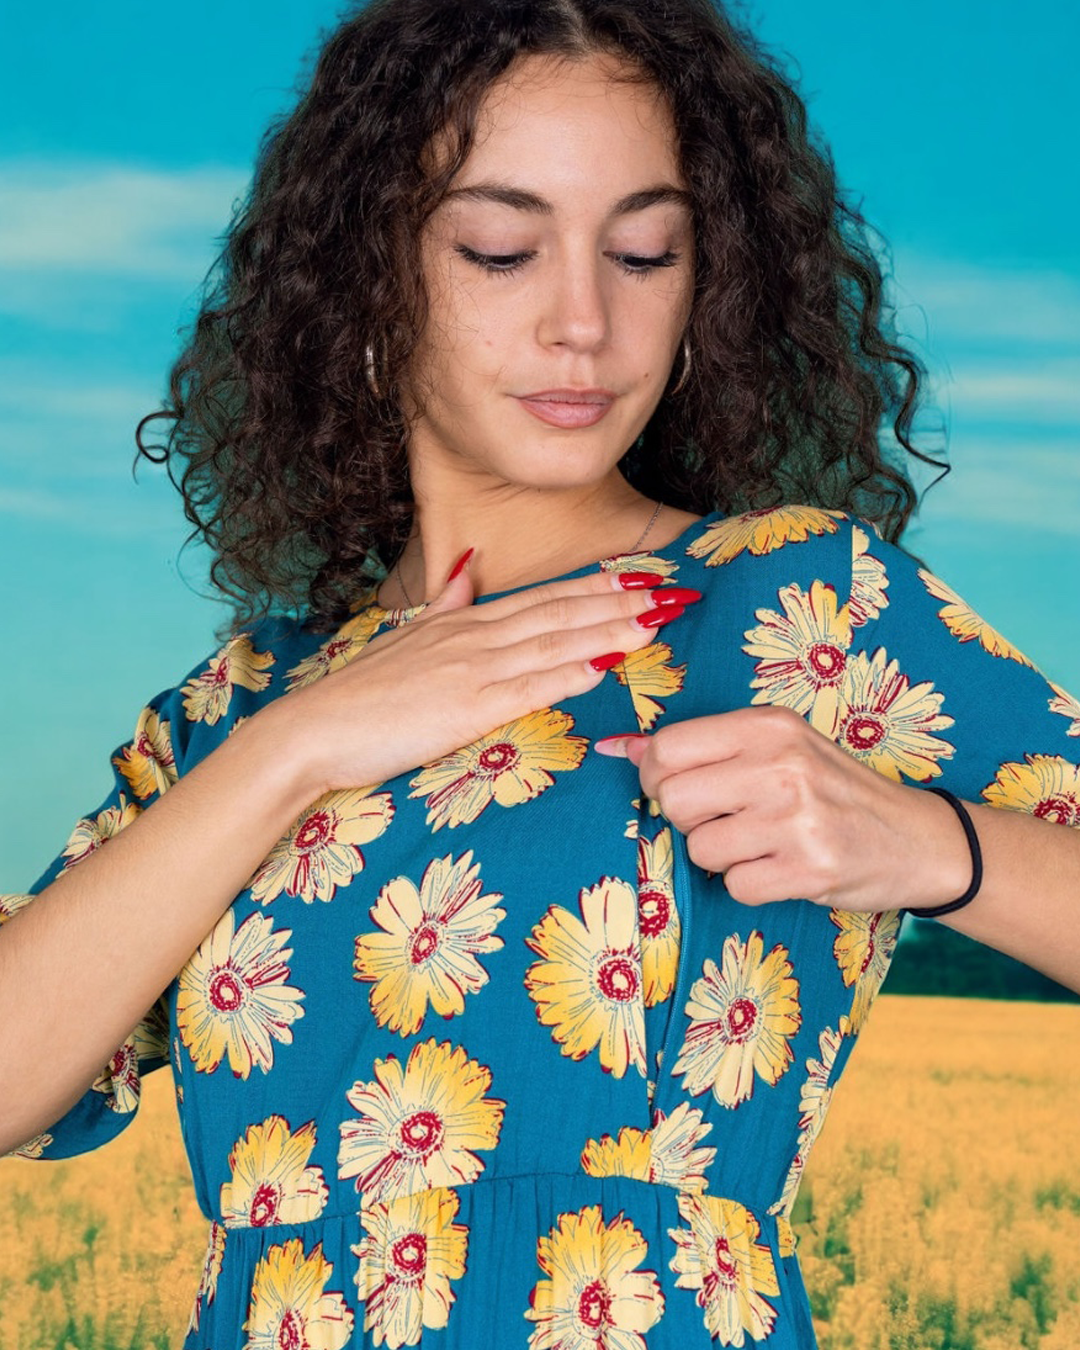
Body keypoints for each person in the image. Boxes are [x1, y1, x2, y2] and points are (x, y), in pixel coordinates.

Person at [1, 0, 1078, 1345]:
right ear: (365, 281)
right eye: (502, 250)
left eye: (643, 251)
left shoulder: (796, 603)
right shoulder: (235, 705)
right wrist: (299, 746)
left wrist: (935, 847)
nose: (586, 321)